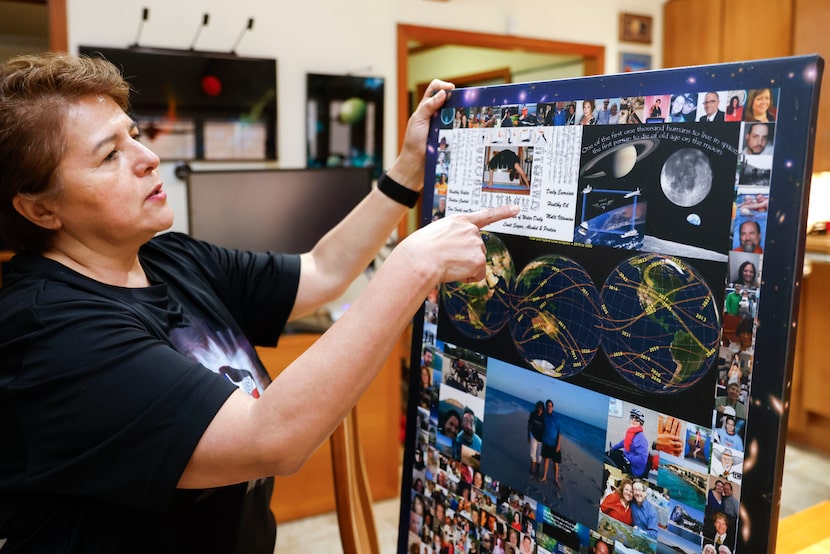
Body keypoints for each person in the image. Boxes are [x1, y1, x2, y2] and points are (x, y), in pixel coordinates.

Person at [0, 53, 522, 552]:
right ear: (40, 210)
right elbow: (269, 440)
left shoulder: (167, 257)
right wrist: (413, 267)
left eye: (133, 136)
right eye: (110, 154)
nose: (149, 157)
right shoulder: (48, 331)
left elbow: (323, 270)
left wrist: (409, 170)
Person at [610, 408, 651, 478]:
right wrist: (613, 448)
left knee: (611, 462)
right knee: (613, 454)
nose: (633, 420)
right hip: (629, 458)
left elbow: (642, 460)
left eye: (637, 418)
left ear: (641, 423)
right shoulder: (632, 433)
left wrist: (627, 457)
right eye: (632, 417)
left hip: (635, 469)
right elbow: (624, 442)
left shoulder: (641, 439)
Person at [540, 399, 562, 485]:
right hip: (546, 442)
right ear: (546, 407)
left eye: (550, 406)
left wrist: (559, 444)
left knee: (555, 463)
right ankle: (544, 476)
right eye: (547, 406)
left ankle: (556, 479)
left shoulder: (556, 418)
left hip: (554, 444)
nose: (549, 407)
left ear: (552, 407)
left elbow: (559, 432)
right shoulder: (544, 415)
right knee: (546, 461)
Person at [527, 400, 545, 478]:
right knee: (532, 454)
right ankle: (532, 470)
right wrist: (528, 436)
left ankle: (538, 471)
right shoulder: (532, 414)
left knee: (539, 455)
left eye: (541, 408)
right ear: (536, 407)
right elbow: (529, 425)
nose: (539, 409)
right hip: (533, 436)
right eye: (538, 407)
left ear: (543, 408)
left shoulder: (545, 417)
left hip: (541, 439)